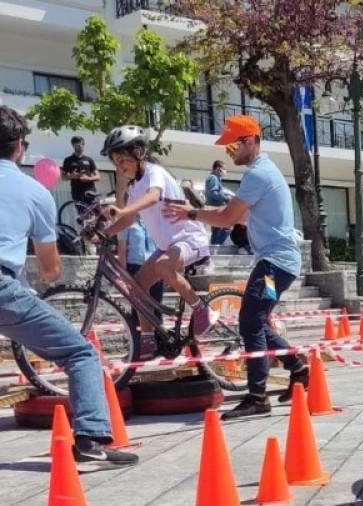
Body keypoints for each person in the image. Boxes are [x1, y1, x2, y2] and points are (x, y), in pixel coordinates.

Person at [0, 106, 138, 469]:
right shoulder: (33, 192)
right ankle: (91, 441)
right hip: (3, 291)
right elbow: (49, 268)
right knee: (81, 354)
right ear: (19, 148)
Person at [163, 115, 308, 420]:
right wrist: (196, 212)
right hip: (278, 264)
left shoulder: (259, 175)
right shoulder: (262, 172)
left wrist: (192, 214)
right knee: (256, 319)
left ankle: (257, 396)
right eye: (228, 150)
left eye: (233, 147)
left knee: (251, 321)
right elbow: (235, 215)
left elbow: (227, 218)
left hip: (275, 264)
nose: (230, 154)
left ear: (251, 140)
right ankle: (297, 366)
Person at [99, 126, 218, 352]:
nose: (120, 167)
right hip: (168, 245)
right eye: (116, 162)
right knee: (136, 287)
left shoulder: (155, 173)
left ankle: (203, 309)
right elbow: (128, 220)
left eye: (123, 160)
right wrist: (104, 233)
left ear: (138, 153)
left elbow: (153, 197)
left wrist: (122, 210)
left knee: (164, 266)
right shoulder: (134, 188)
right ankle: (147, 341)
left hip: (189, 238)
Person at [117, 213, 164, 355]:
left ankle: (160, 344)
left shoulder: (154, 219)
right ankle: (138, 347)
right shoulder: (126, 221)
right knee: (137, 309)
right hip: (135, 267)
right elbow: (122, 249)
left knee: (156, 305)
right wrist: (123, 274)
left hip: (154, 266)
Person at [61, 135, 100, 206]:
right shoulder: (68, 160)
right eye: (78, 144)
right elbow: (63, 177)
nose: (81, 146)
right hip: (77, 192)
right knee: (82, 215)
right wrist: (72, 176)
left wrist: (89, 178)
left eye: (82, 144)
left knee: (96, 213)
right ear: (73, 145)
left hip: (90, 191)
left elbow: (98, 176)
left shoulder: (89, 159)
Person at [205, 160, 231, 245]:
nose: (224, 171)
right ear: (218, 168)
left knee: (218, 229)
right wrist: (225, 198)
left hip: (214, 207)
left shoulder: (214, 178)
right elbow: (213, 192)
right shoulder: (214, 178)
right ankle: (216, 247)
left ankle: (215, 246)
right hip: (215, 207)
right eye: (224, 169)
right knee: (224, 226)